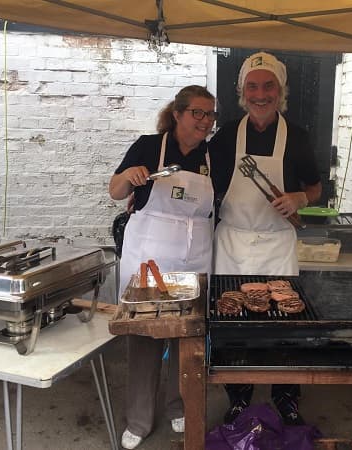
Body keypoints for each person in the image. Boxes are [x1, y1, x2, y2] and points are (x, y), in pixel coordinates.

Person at [209, 52, 322, 426]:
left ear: (280, 90)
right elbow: (203, 181)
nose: (261, 94)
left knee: (286, 325)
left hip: (277, 243)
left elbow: (315, 187)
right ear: (242, 91)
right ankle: (238, 395)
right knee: (232, 321)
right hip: (233, 243)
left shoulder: (299, 137)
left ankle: (285, 396)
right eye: (253, 86)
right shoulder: (225, 135)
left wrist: (299, 199)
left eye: (268, 85)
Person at [109, 85, 217, 450]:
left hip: (194, 254)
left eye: (210, 114)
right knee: (145, 338)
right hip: (150, 255)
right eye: (197, 113)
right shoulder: (148, 146)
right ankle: (138, 420)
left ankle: (178, 405)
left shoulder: (212, 154)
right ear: (179, 114)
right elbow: (115, 190)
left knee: (184, 335)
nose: (204, 121)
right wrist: (130, 176)